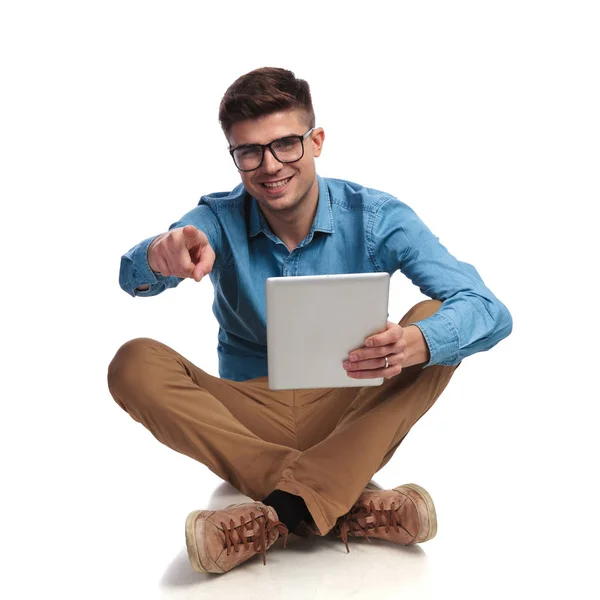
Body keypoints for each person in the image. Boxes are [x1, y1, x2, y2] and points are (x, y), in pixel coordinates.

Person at [107, 67, 513, 574]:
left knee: (437, 322)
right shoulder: (216, 218)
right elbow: (133, 274)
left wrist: (416, 342)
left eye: (286, 145)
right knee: (133, 361)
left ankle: (281, 512)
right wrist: (157, 254)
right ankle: (339, 498)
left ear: (315, 141)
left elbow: (490, 310)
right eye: (248, 151)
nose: (269, 165)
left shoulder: (376, 216)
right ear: (234, 157)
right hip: (249, 414)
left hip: (350, 409)